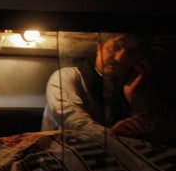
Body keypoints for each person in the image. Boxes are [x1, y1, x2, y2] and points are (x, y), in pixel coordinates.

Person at [42, 33, 175, 145]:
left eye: (130, 52)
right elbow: (72, 119)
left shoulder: (135, 86)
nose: (119, 57)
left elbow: (164, 134)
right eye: (115, 48)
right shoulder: (68, 77)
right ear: (99, 48)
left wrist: (135, 99)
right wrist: (110, 134)